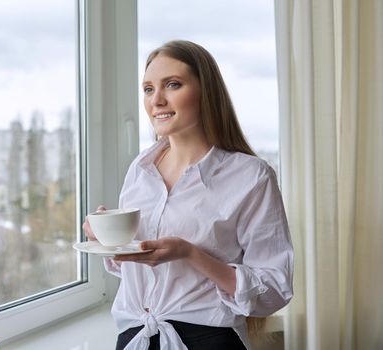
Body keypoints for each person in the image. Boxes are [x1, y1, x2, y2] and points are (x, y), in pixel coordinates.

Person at [83, 40, 293, 350]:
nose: (158, 100)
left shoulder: (251, 176)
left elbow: (275, 288)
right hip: (134, 337)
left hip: (207, 340)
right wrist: (110, 241)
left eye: (173, 85)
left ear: (205, 92)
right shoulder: (141, 170)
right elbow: (135, 269)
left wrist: (189, 253)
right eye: (148, 89)